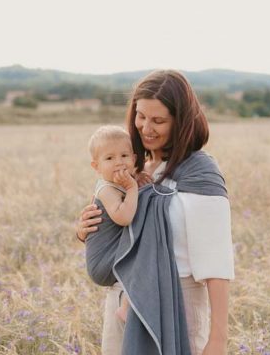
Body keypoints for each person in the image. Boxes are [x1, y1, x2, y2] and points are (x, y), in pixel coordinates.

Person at [76, 70, 234, 355]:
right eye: (141, 116)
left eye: (158, 120)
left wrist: (218, 340)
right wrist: (86, 228)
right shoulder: (136, 170)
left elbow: (216, 261)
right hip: (122, 300)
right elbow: (126, 233)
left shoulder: (200, 173)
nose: (145, 128)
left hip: (177, 303)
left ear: (181, 121)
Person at [85, 125, 138, 323]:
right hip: (102, 264)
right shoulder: (106, 190)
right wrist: (133, 188)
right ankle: (126, 306)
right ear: (96, 166)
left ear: (133, 158)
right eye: (109, 158)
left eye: (124, 155)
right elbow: (124, 217)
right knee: (143, 251)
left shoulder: (118, 184)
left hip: (110, 256)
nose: (119, 163)